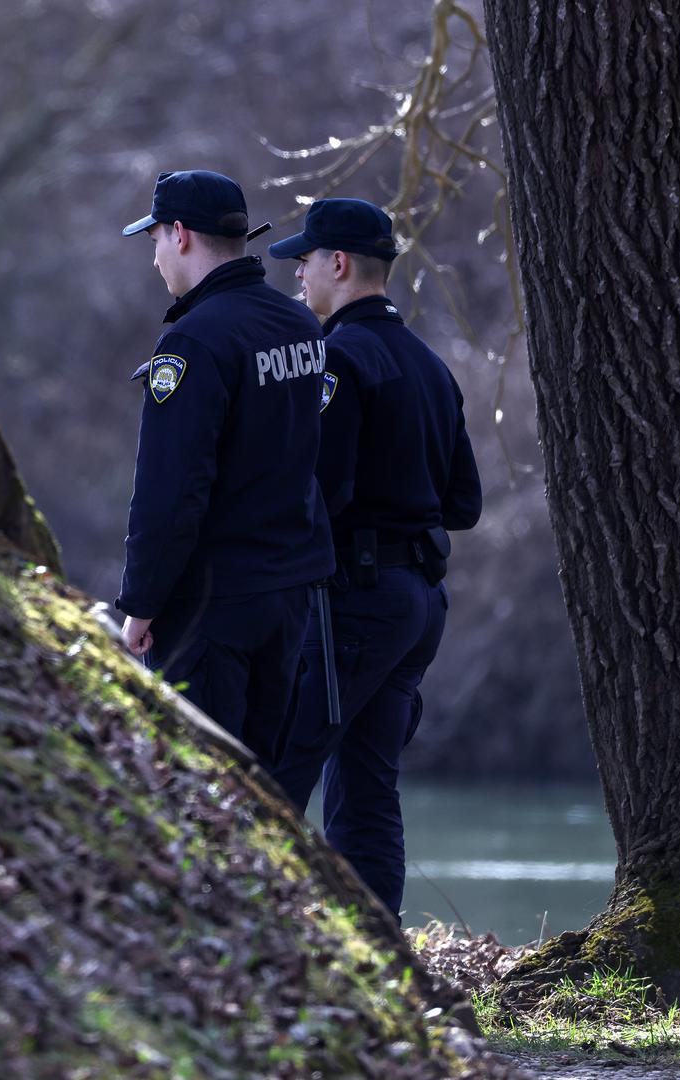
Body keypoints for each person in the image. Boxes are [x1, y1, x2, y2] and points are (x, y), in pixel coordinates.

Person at [264, 198, 483, 920]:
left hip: (352, 602)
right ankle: (378, 953)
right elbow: (463, 505)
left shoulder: (337, 358)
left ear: (337, 263)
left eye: (304, 260)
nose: (297, 275)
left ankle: (253, 938)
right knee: (365, 785)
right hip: (416, 602)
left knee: (276, 771)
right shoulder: (429, 366)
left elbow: (319, 494)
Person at [115, 170, 334, 752]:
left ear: (179, 235)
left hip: (212, 604)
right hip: (290, 591)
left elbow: (172, 487)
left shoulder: (194, 342)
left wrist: (141, 602)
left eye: (156, 239)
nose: (156, 257)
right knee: (266, 790)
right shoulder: (298, 324)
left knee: (206, 782)